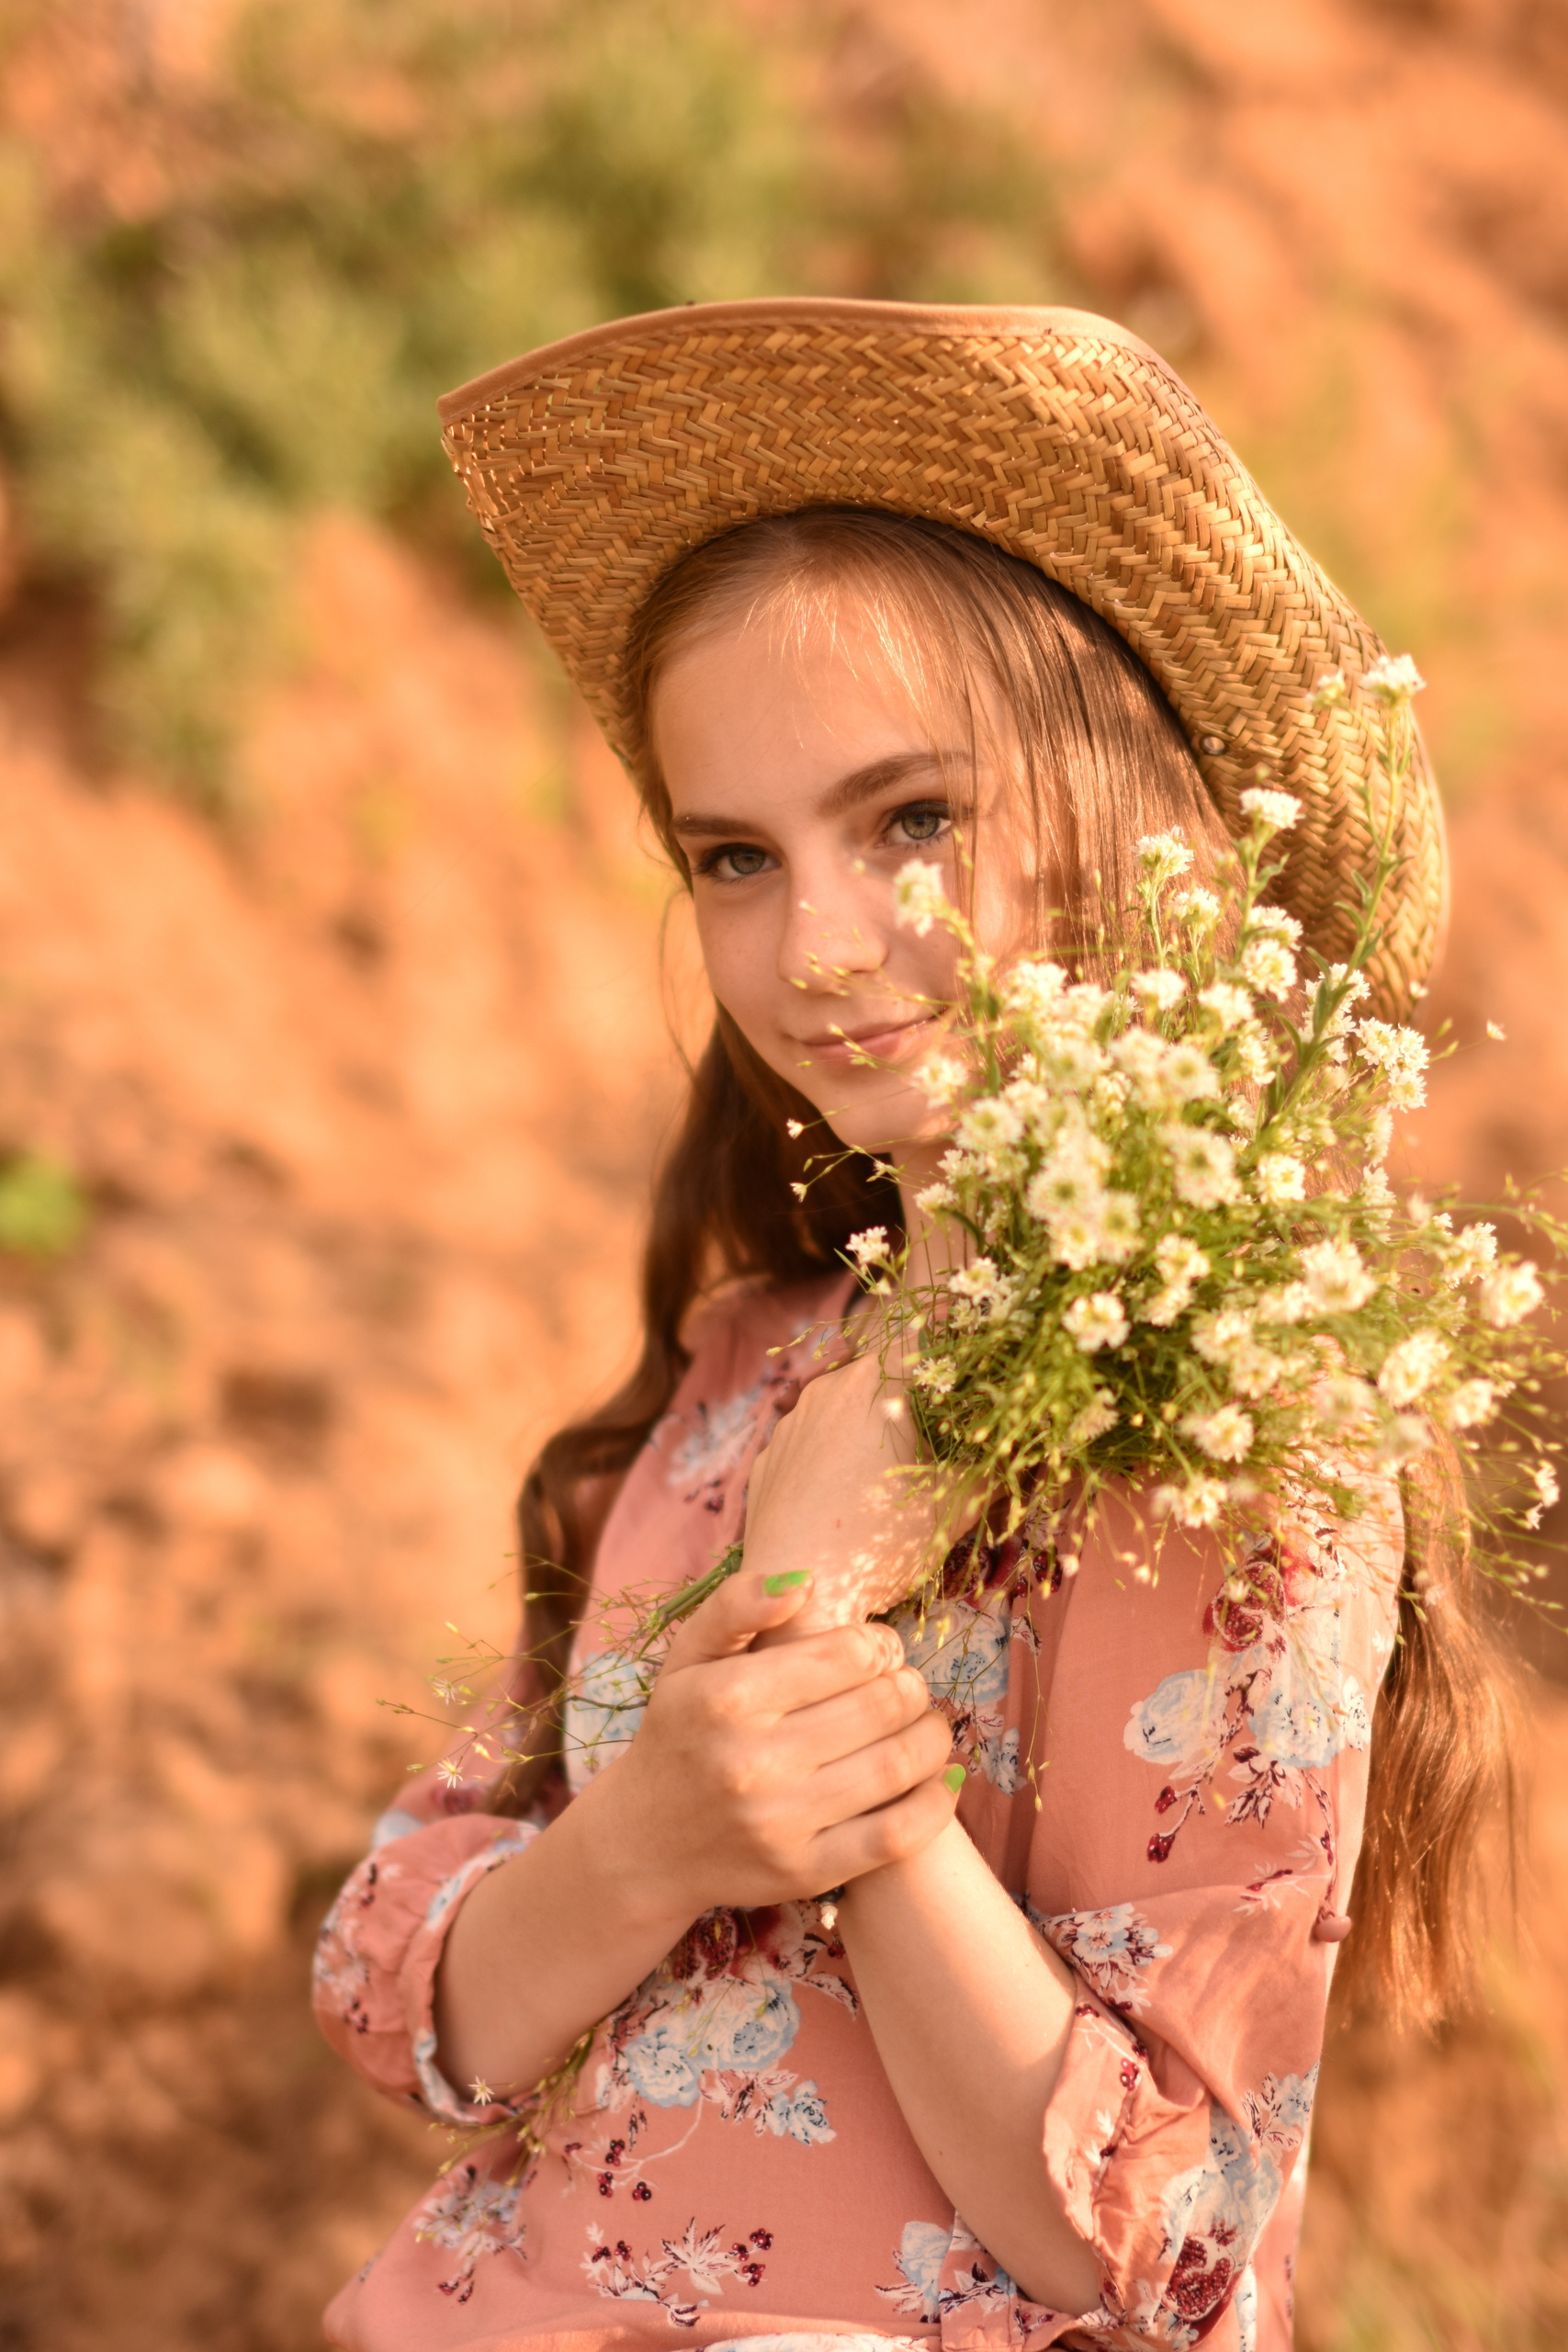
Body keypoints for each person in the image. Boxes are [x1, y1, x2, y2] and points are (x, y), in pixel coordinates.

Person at [313, 301, 1506, 2352]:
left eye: (912, 822)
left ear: (1150, 822)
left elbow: (1158, 2244)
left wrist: (812, 1671)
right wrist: (655, 1830)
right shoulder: (745, 1367)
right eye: (733, 856)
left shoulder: (1235, 1443)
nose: (817, 944)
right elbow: (405, 2000)